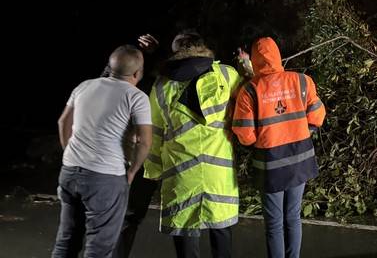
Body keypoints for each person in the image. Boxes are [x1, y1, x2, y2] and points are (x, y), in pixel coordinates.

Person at [143, 30, 241, 258]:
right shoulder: (227, 75)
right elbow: (250, 103)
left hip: (181, 175)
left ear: (176, 52)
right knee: (222, 234)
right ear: (202, 46)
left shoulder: (161, 86)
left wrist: (154, 170)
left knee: (186, 238)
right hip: (220, 176)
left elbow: (154, 133)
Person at [52, 45, 153, 258]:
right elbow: (144, 141)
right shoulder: (136, 97)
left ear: (110, 67)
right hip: (105, 177)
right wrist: (133, 171)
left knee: (67, 240)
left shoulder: (84, 86)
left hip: (70, 171)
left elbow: (63, 122)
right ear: (137, 73)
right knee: (99, 247)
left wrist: (69, 152)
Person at [232, 37, 326, 258]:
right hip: (301, 160)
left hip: (271, 164)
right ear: (278, 55)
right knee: (293, 216)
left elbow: (245, 135)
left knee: (274, 223)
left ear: (254, 60)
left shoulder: (250, 91)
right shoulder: (302, 81)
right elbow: (318, 116)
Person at [113, 34, 162, 258]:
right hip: (137, 159)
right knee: (127, 217)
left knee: (126, 217)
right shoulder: (135, 90)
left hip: (136, 159)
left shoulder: (146, 87)